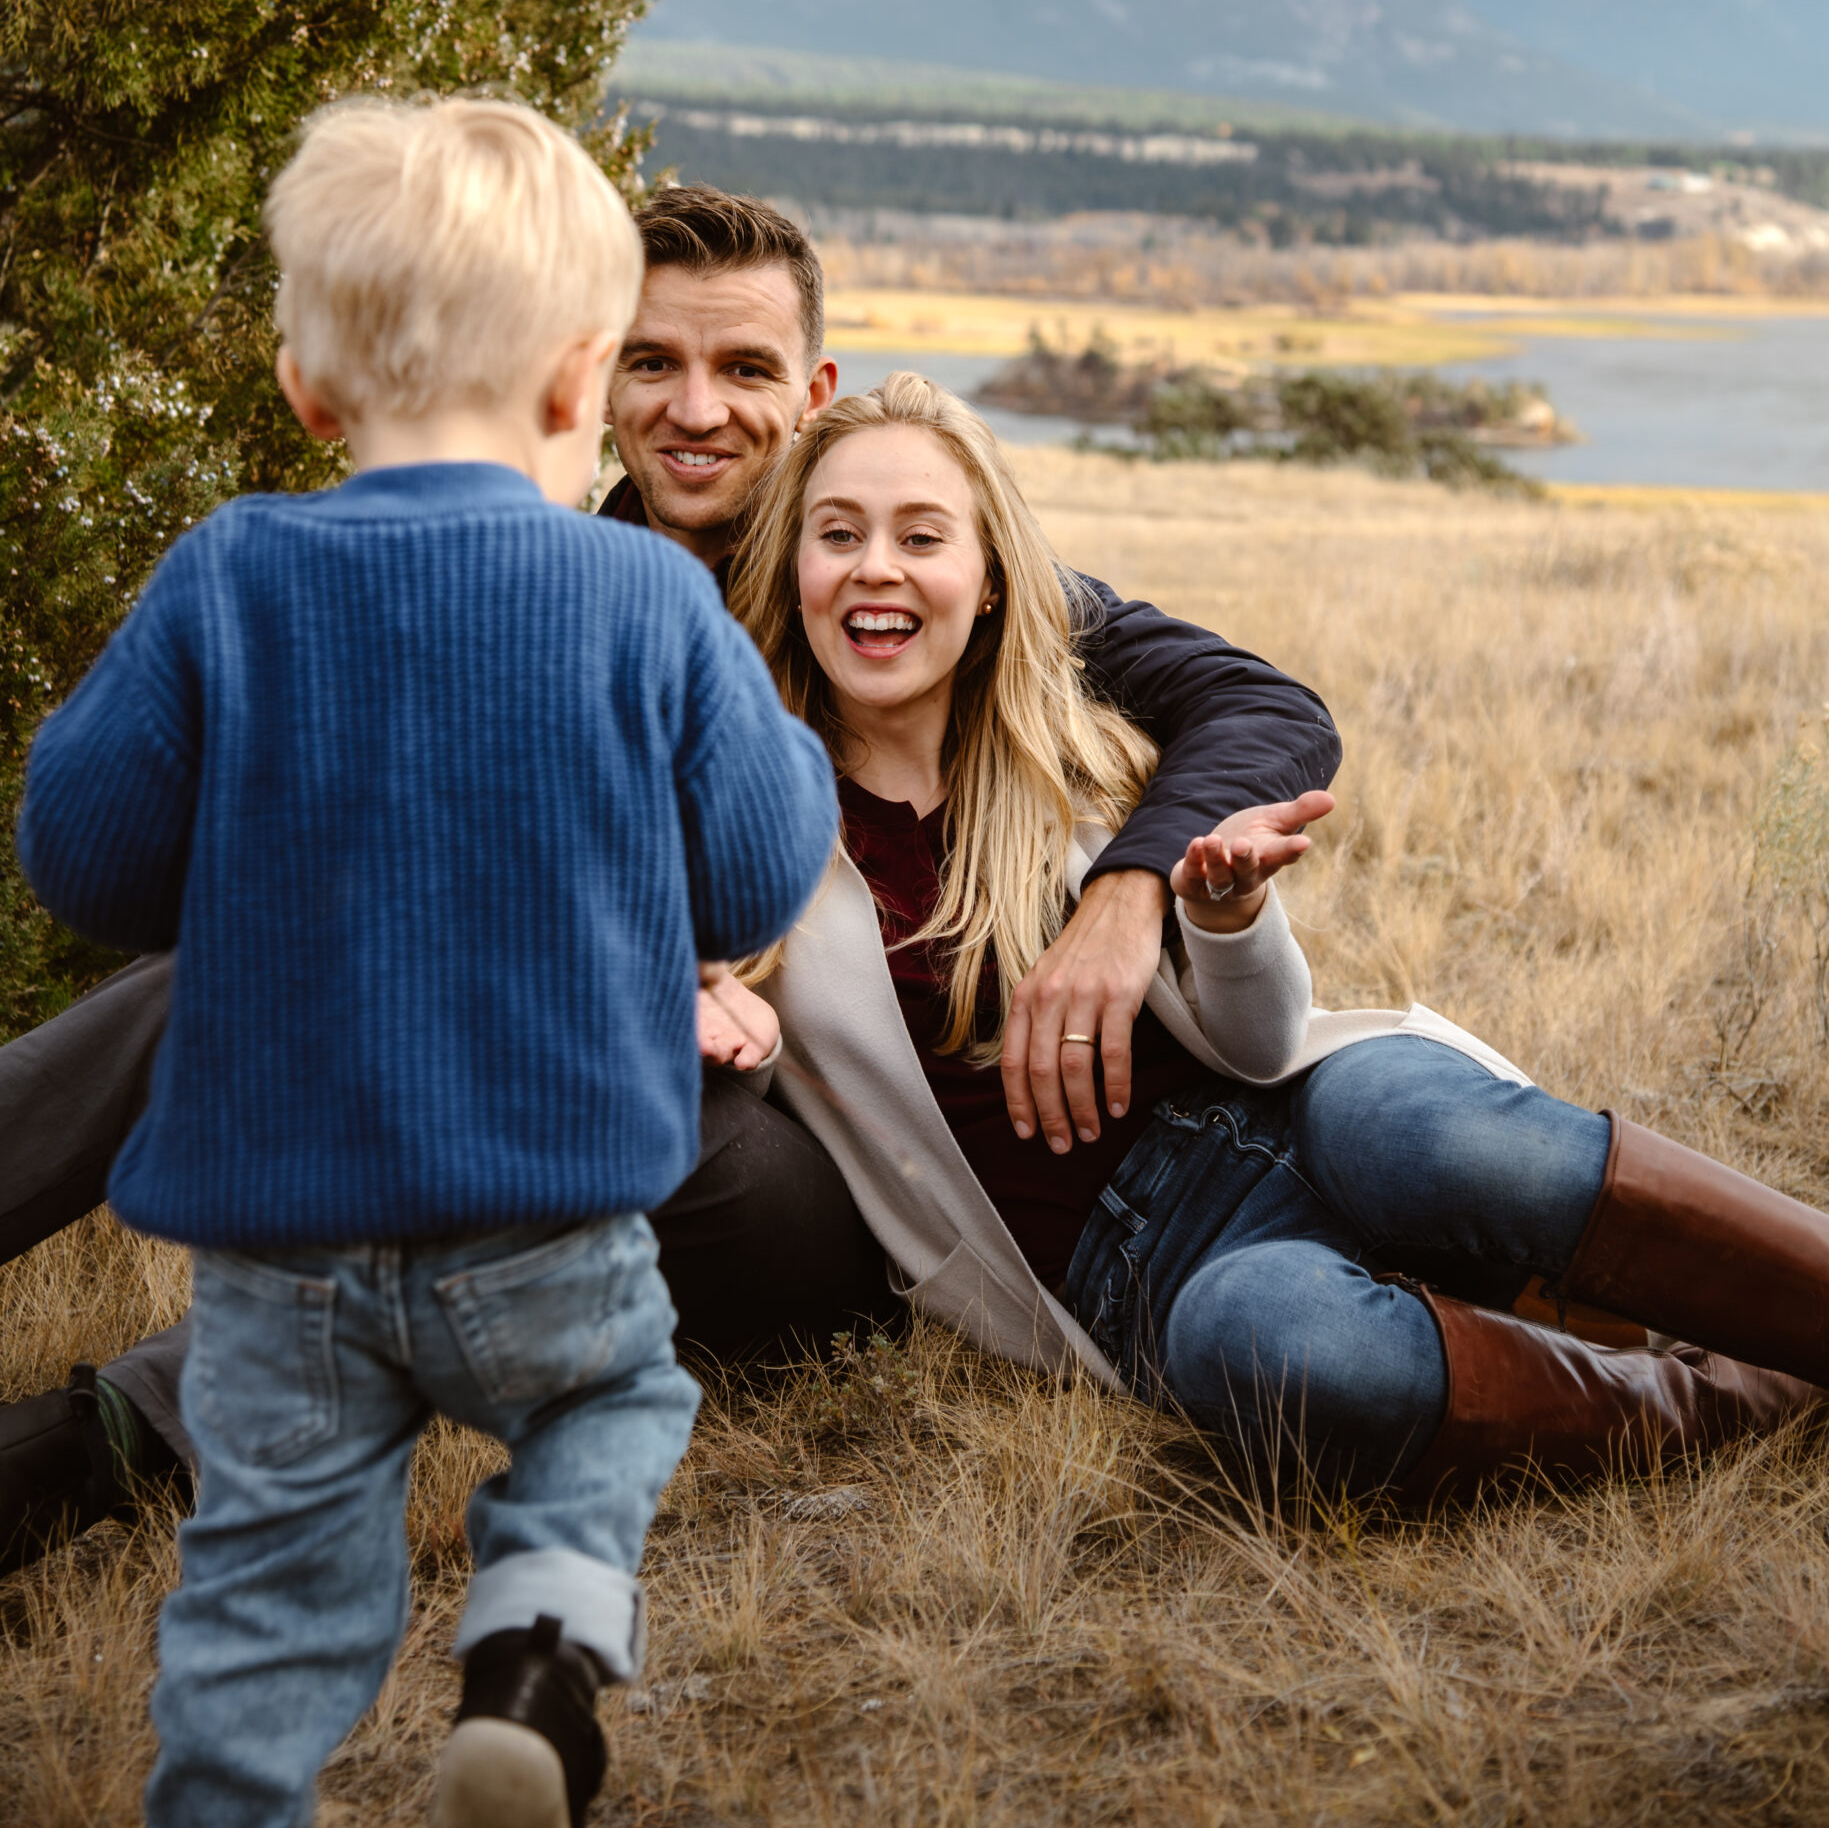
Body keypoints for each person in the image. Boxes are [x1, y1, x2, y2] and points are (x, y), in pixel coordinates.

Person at [0, 186, 1343, 1564]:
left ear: (809, 391)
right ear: (595, 372)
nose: (697, 409)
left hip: (815, 1194)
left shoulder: (886, 572)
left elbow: (1266, 710)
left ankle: (99, 1443)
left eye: (744, 368)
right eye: (653, 361)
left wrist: (1125, 892)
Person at [15, 100, 839, 1828]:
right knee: (610, 1407)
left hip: (283, 1248)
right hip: (549, 1219)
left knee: (266, 1580)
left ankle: (228, 1793)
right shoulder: (643, 599)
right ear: (579, 380)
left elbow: (81, 860)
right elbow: (759, 870)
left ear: (308, 388)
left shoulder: (228, 574)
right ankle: (535, 1660)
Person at [728, 372, 1829, 1496]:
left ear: (993, 580)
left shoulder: (1087, 756)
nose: (876, 567)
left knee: (1410, 1127)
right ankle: (1730, 1395)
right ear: (793, 568)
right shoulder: (745, 827)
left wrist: (1226, 920)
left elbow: (1259, 1044)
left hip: (1305, 1113)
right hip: (1152, 1272)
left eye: (922, 536)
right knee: (1273, 1338)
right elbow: (756, 1062)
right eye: (838, 534)